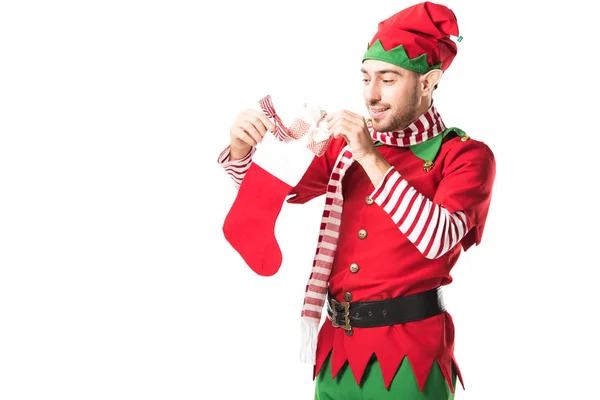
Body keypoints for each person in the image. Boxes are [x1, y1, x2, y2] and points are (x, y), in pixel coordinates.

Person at [217, 2, 496, 398]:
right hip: (336, 352)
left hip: (409, 360)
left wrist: (369, 155)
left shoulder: (465, 155)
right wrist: (242, 150)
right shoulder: (345, 148)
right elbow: (287, 193)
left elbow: (438, 237)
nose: (371, 95)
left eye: (388, 79)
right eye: (366, 78)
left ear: (428, 82)